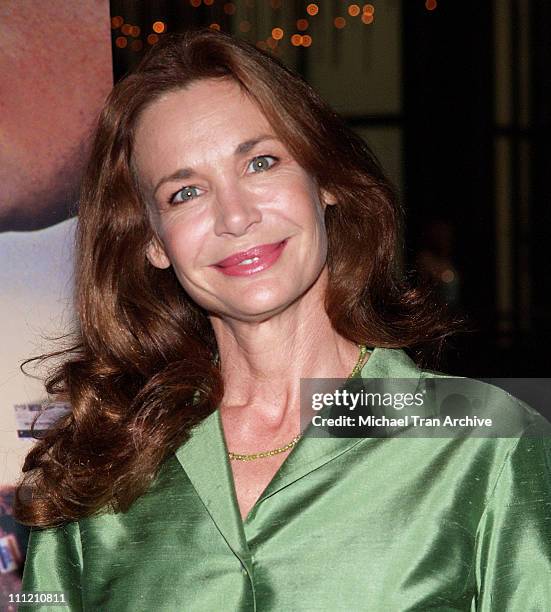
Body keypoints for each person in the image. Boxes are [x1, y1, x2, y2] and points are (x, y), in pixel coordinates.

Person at [14, 29, 551, 611]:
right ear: (152, 242)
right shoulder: (101, 462)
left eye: (261, 163)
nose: (236, 216)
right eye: (186, 192)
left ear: (326, 183)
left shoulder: (483, 434)